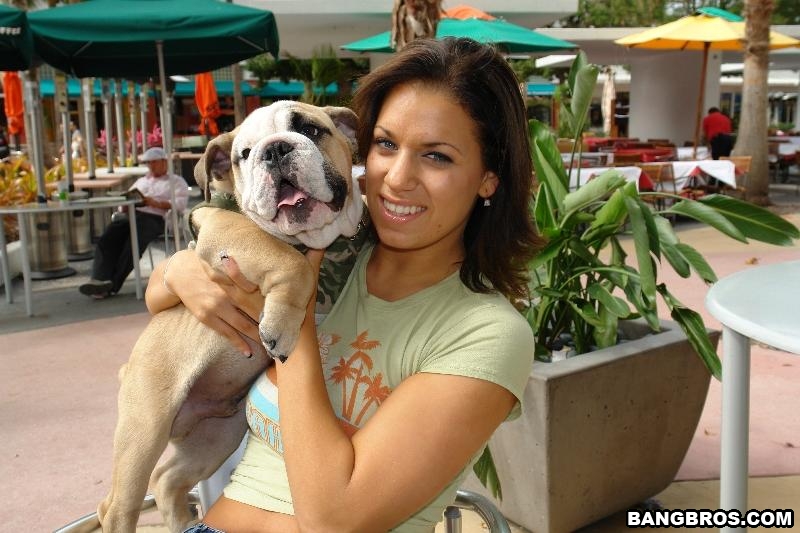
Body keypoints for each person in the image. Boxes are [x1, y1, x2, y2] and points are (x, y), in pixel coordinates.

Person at [147, 37, 543, 532]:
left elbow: (332, 520)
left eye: (437, 156)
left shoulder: (487, 334)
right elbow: (160, 296)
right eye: (386, 144)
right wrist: (181, 271)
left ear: (488, 177)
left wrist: (293, 303)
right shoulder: (334, 243)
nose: (397, 178)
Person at [79, 147, 189, 299]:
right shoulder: (141, 181)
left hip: (156, 218)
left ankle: (111, 285)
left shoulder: (176, 181)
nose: (151, 166)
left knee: (132, 245)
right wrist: (124, 205)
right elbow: (125, 200)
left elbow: (180, 205)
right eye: (149, 163)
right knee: (107, 238)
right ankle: (99, 280)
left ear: (164, 162)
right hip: (131, 214)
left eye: (154, 162)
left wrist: (154, 203)